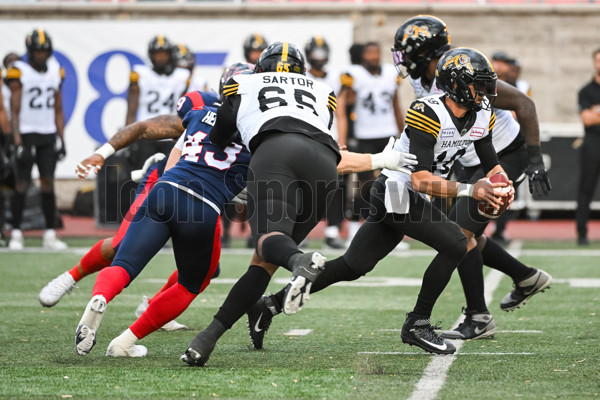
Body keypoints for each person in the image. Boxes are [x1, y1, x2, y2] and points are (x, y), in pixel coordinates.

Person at [255, 47, 514, 356]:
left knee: (353, 266)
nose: (485, 91)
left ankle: (268, 305)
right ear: (456, 84)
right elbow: (420, 179)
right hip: (395, 190)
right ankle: (417, 323)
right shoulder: (427, 111)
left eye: (487, 84)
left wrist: (502, 184)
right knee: (456, 242)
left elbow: (491, 164)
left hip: (409, 194)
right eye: (478, 84)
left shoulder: (481, 114)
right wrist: (474, 190)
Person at [181, 42, 417, 366]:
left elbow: (220, 136)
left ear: (260, 67)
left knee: (269, 241)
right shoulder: (323, 90)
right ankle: (208, 337)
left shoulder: (244, 82)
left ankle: (299, 263)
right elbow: (323, 136)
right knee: (265, 257)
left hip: (278, 153)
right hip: (324, 165)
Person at [389, 15, 552, 338]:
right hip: (467, 157)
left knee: (459, 235)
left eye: (406, 51)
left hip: (501, 156)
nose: (402, 58)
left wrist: (534, 158)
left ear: (424, 50)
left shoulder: (461, 71)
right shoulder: (424, 76)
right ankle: (526, 277)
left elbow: (524, 102)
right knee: (461, 234)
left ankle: (479, 316)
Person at [336, 42, 405, 245]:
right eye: (370, 53)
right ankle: (355, 228)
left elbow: (395, 105)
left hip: (388, 134)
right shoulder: (353, 74)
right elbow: (343, 105)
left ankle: (397, 230)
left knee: (395, 182)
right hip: (364, 134)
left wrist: (403, 133)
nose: (374, 57)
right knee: (365, 184)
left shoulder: (391, 74)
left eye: (376, 53)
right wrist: (343, 137)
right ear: (363, 56)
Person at [5, 29, 67, 251]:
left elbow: (58, 109)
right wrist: (18, 140)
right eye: (37, 51)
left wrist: (62, 138)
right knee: (21, 184)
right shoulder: (18, 71)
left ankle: (50, 233)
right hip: (27, 133)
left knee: (48, 183)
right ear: (30, 52)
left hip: (47, 134)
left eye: (44, 51)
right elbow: (15, 108)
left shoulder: (55, 71)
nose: (41, 56)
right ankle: (16, 233)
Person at [304, 35, 345, 249]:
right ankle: (300, 231)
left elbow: (341, 112)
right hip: (307, 135)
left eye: (321, 53)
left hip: (331, 137)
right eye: (315, 53)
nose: (319, 57)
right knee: (303, 184)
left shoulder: (337, 77)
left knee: (335, 186)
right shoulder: (300, 77)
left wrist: (343, 140)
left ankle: (332, 230)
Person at [125, 35, 190, 167]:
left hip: (171, 134)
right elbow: (131, 110)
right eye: (157, 54)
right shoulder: (140, 74)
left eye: (164, 54)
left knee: (168, 177)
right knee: (143, 177)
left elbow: (185, 110)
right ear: (151, 55)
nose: (161, 58)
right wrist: (128, 137)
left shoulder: (182, 76)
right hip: (146, 133)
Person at [576, 48, 600, 246]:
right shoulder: (586, 91)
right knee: (586, 189)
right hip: (592, 144)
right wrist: (592, 115)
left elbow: (593, 116)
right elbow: (587, 118)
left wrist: (596, 112)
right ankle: (582, 234)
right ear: (594, 63)